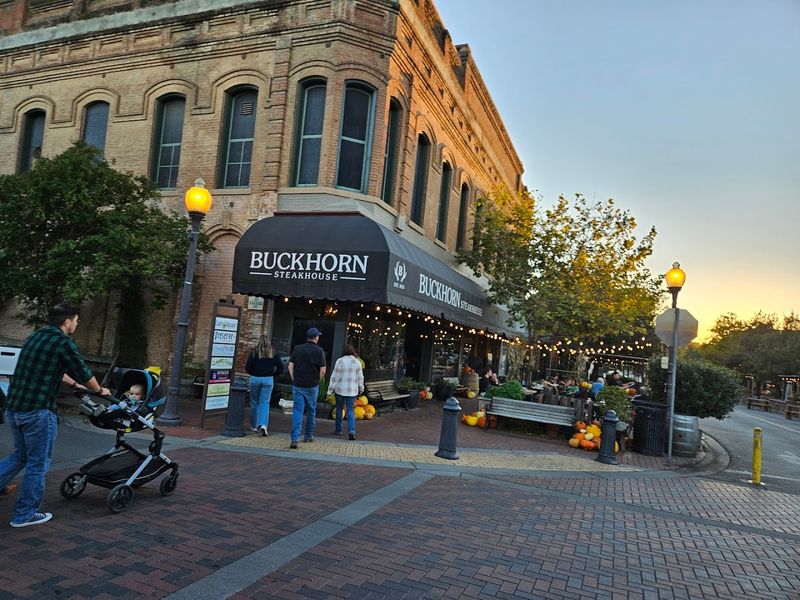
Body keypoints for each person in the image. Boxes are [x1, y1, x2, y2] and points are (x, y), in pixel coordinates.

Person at [0, 303, 110, 528]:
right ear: (67, 321)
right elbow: (84, 371)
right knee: (38, 465)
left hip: (14, 408)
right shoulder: (63, 342)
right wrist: (99, 391)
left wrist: (75, 385)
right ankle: (25, 515)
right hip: (38, 411)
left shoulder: (36, 336)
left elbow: (51, 369)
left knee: (21, 455)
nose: (77, 325)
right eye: (76, 321)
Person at [287, 327, 326, 449]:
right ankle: (308, 436)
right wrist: (317, 381)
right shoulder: (320, 351)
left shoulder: (298, 349)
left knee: (298, 411)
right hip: (312, 385)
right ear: (315, 338)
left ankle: (294, 439)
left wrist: (294, 378)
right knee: (311, 410)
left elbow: (290, 366)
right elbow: (323, 370)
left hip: (298, 384)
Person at [245, 336, 283, 437]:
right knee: (265, 403)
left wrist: (253, 373)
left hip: (255, 378)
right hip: (268, 379)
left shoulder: (254, 352)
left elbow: (247, 367)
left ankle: (254, 425)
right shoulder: (273, 352)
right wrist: (273, 374)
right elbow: (280, 367)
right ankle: (263, 425)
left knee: (254, 402)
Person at [327, 344, 364, 440]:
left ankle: (338, 429)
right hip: (352, 391)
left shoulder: (340, 361)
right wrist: (361, 388)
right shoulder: (357, 362)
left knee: (339, 409)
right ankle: (352, 431)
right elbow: (360, 377)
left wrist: (330, 390)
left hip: (340, 390)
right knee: (350, 410)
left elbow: (335, 377)